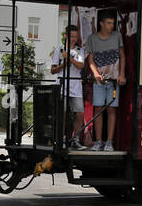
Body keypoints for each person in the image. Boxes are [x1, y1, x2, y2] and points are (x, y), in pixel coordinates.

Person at [87, 10, 125, 151]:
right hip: (99, 82)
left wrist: (121, 74)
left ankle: (109, 141)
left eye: (113, 23)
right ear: (101, 24)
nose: (111, 26)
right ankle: (98, 141)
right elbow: (90, 59)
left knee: (111, 110)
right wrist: (96, 73)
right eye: (109, 23)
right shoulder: (92, 38)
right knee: (98, 110)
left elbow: (122, 56)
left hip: (114, 81)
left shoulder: (117, 36)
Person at [50, 24, 87, 148]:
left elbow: (81, 66)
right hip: (62, 84)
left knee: (80, 113)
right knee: (63, 113)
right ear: (66, 36)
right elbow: (53, 70)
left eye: (76, 36)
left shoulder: (79, 50)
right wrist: (64, 64)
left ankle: (75, 139)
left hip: (76, 86)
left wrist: (69, 59)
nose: (73, 39)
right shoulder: (59, 49)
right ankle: (62, 138)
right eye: (71, 36)